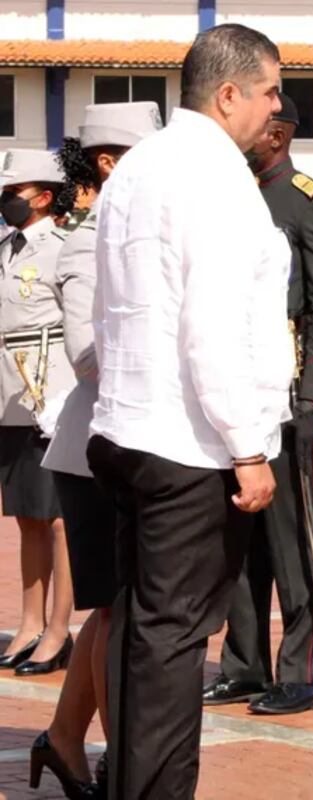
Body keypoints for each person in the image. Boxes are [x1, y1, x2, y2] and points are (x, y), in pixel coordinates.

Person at [87, 24, 291, 799]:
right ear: (229, 92)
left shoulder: (138, 166)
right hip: (188, 441)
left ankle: (126, 784)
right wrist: (247, 446)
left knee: (143, 631)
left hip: (130, 425)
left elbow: (114, 307)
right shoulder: (215, 177)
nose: (277, 107)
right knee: (173, 643)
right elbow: (212, 326)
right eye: (269, 90)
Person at [29, 102, 161, 800]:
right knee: (117, 612)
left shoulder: (138, 229)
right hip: (96, 450)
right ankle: (122, 766)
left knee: (112, 610)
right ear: (110, 162)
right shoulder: (85, 241)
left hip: (135, 442)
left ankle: (62, 739)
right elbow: (87, 354)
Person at [202, 93, 313, 716]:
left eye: (263, 124)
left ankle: (300, 672)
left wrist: (312, 398)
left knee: (292, 536)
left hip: (287, 391)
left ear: (280, 133)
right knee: (238, 529)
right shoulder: (227, 196)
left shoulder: (311, 202)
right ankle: (245, 664)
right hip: (236, 386)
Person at [0, 149, 77, 679]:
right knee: (26, 514)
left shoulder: (64, 249)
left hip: (51, 393)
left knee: (58, 520)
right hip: (9, 394)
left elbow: (80, 327)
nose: (8, 201)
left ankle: (58, 629)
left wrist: (64, 400)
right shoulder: (5, 246)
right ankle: (29, 623)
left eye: (16, 191)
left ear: (45, 196)